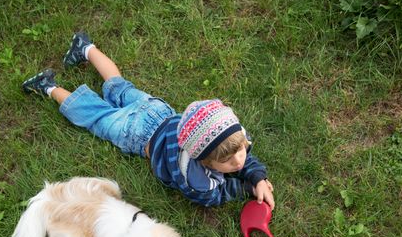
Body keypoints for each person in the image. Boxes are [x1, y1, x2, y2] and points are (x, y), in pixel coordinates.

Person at [22, 32, 275, 209]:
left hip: (158, 111)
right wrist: (246, 188)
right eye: (228, 161)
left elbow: (243, 157)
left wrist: (257, 177)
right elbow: (213, 196)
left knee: (118, 85)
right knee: (94, 115)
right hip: (135, 133)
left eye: (240, 150)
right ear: (202, 159)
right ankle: (47, 86)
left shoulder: (227, 133)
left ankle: (86, 48)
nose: (239, 161)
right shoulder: (193, 177)